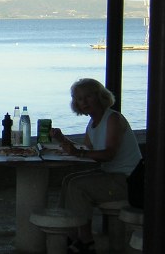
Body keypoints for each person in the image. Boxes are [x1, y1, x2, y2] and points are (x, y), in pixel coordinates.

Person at [50, 78, 142, 254]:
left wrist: (79, 153)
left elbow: (108, 154)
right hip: (112, 176)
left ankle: (86, 241)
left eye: (88, 97)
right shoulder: (92, 123)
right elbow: (86, 151)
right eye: (78, 99)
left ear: (100, 96)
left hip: (129, 181)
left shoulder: (113, 118)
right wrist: (62, 139)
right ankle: (70, 233)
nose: (83, 102)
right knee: (69, 180)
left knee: (78, 186)